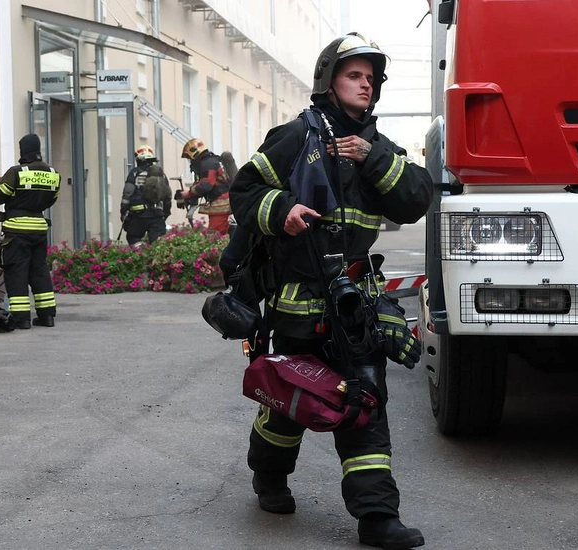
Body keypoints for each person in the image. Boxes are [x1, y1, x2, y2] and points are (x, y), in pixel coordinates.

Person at [229, 33, 433, 549]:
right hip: (298, 302)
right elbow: (244, 190)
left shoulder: (375, 147)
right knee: (290, 402)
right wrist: (282, 209)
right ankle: (269, 476)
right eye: (353, 76)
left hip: (356, 305)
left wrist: (372, 156)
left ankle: (377, 517)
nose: (365, 85)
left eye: (371, 78)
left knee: (365, 402)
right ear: (329, 81)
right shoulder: (296, 136)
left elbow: (415, 200)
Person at [0, 133, 61, 330]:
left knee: (17, 273)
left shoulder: (17, 172)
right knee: (39, 272)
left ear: (23, 150)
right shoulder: (53, 174)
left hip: (17, 232)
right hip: (39, 228)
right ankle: (47, 316)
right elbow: (52, 199)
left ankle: (21, 319)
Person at [120, 145, 171, 246]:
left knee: (133, 238)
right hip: (156, 215)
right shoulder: (161, 175)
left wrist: (123, 211)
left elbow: (127, 193)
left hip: (137, 216)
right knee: (158, 244)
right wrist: (165, 214)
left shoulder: (134, 173)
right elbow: (167, 196)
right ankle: (155, 259)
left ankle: (140, 253)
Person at [180, 138, 232, 234]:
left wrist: (189, 192)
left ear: (194, 154)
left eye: (189, 158)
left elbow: (206, 185)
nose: (190, 161)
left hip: (220, 205)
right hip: (225, 202)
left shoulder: (208, 163)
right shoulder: (212, 161)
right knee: (224, 234)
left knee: (216, 235)